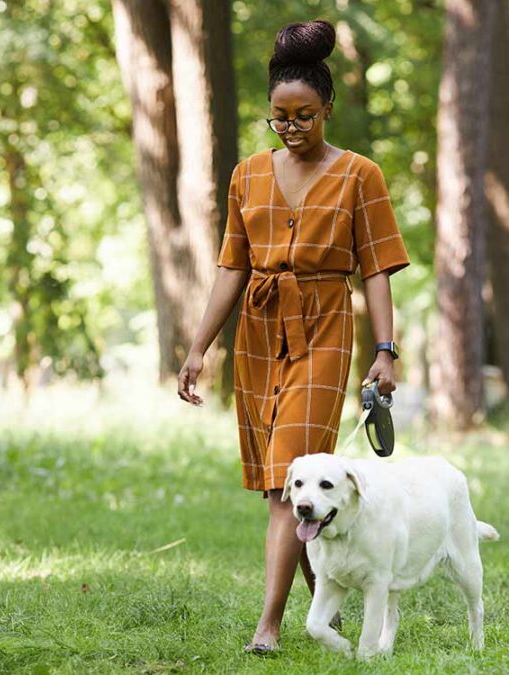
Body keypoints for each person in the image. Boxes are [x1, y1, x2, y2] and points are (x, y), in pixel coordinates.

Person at [176, 18, 411, 655]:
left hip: (326, 329)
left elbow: (378, 267)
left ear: (327, 109)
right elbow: (232, 265)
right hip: (257, 332)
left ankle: (269, 630)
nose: (292, 128)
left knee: (289, 485)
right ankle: (328, 608)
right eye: (280, 118)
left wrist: (385, 350)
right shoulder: (247, 174)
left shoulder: (361, 174)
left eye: (304, 116)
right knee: (285, 490)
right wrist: (201, 347)